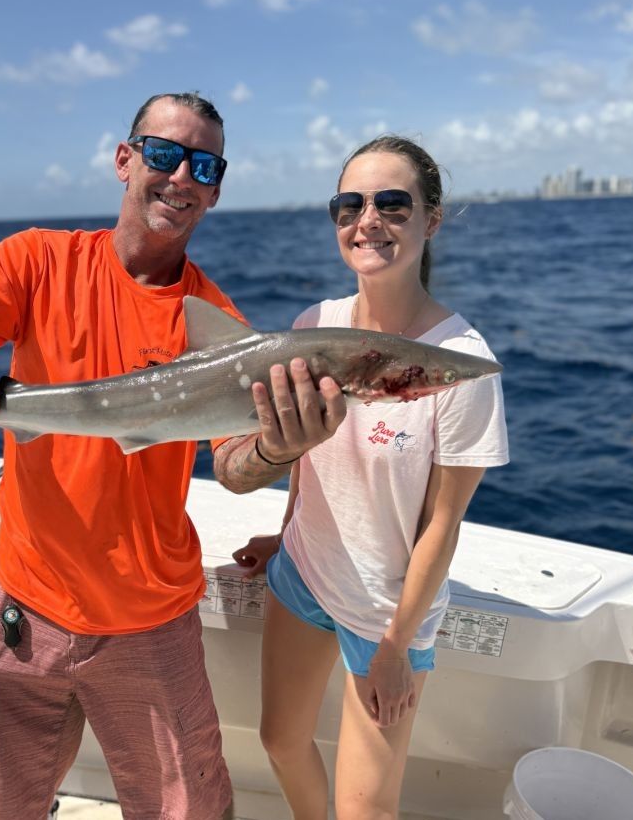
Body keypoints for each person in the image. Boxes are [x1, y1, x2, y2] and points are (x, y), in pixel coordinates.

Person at [0, 92, 346, 820]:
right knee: (0, 808)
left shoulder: (218, 326)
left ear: (217, 190)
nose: (181, 176)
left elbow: (232, 465)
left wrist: (280, 449)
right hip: (25, 612)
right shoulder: (38, 260)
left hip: (152, 622)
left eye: (204, 165)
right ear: (125, 160)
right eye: (163, 153)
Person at [227, 135, 509, 819]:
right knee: (280, 741)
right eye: (349, 204)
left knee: (368, 811)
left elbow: (442, 527)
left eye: (392, 203)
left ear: (430, 220)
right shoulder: (312, 325)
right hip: (303, 572)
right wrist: (285, 533)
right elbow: (309, 459)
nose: (367, 220)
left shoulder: (460, 365)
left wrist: (396, 647)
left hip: (386, 614)